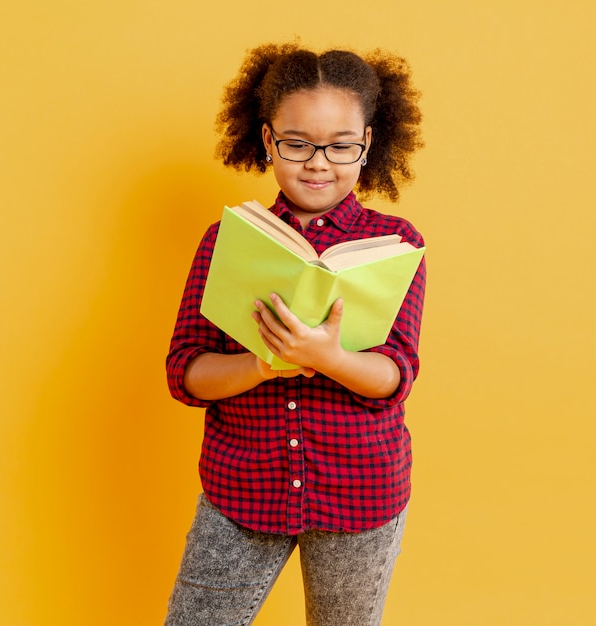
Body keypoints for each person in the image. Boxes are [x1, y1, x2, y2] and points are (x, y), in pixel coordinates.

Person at [164, 42, 426, 626]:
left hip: (360, 490)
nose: (318, 162)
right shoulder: (224, 240)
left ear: (368, 145)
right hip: (241, 488)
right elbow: (185, 372)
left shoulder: (394, 243)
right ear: (266, 140)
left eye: (340, 146)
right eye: (297, 143)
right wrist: (261, 363)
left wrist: (325, 356)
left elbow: (395, 376)